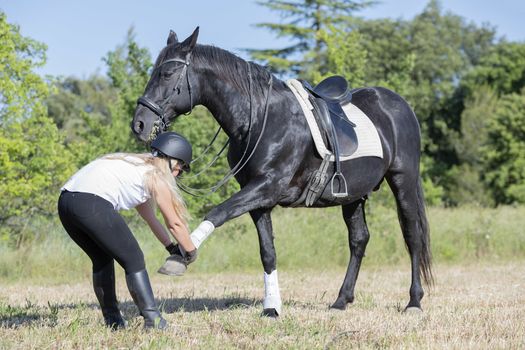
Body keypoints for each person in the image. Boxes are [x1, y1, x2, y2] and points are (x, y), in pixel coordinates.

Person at [57, 132, 197, 330]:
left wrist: (171, 248)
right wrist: (190, 251)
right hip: (92, 204)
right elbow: (174, 223)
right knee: (134, 259)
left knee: (102, 259)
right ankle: (153, 321)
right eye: (179, 168)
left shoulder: (135, 166)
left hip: (66, 203)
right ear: (170, 160)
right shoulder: (155, 176)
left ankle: (113, 322)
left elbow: (151, 219)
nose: (178, 174)